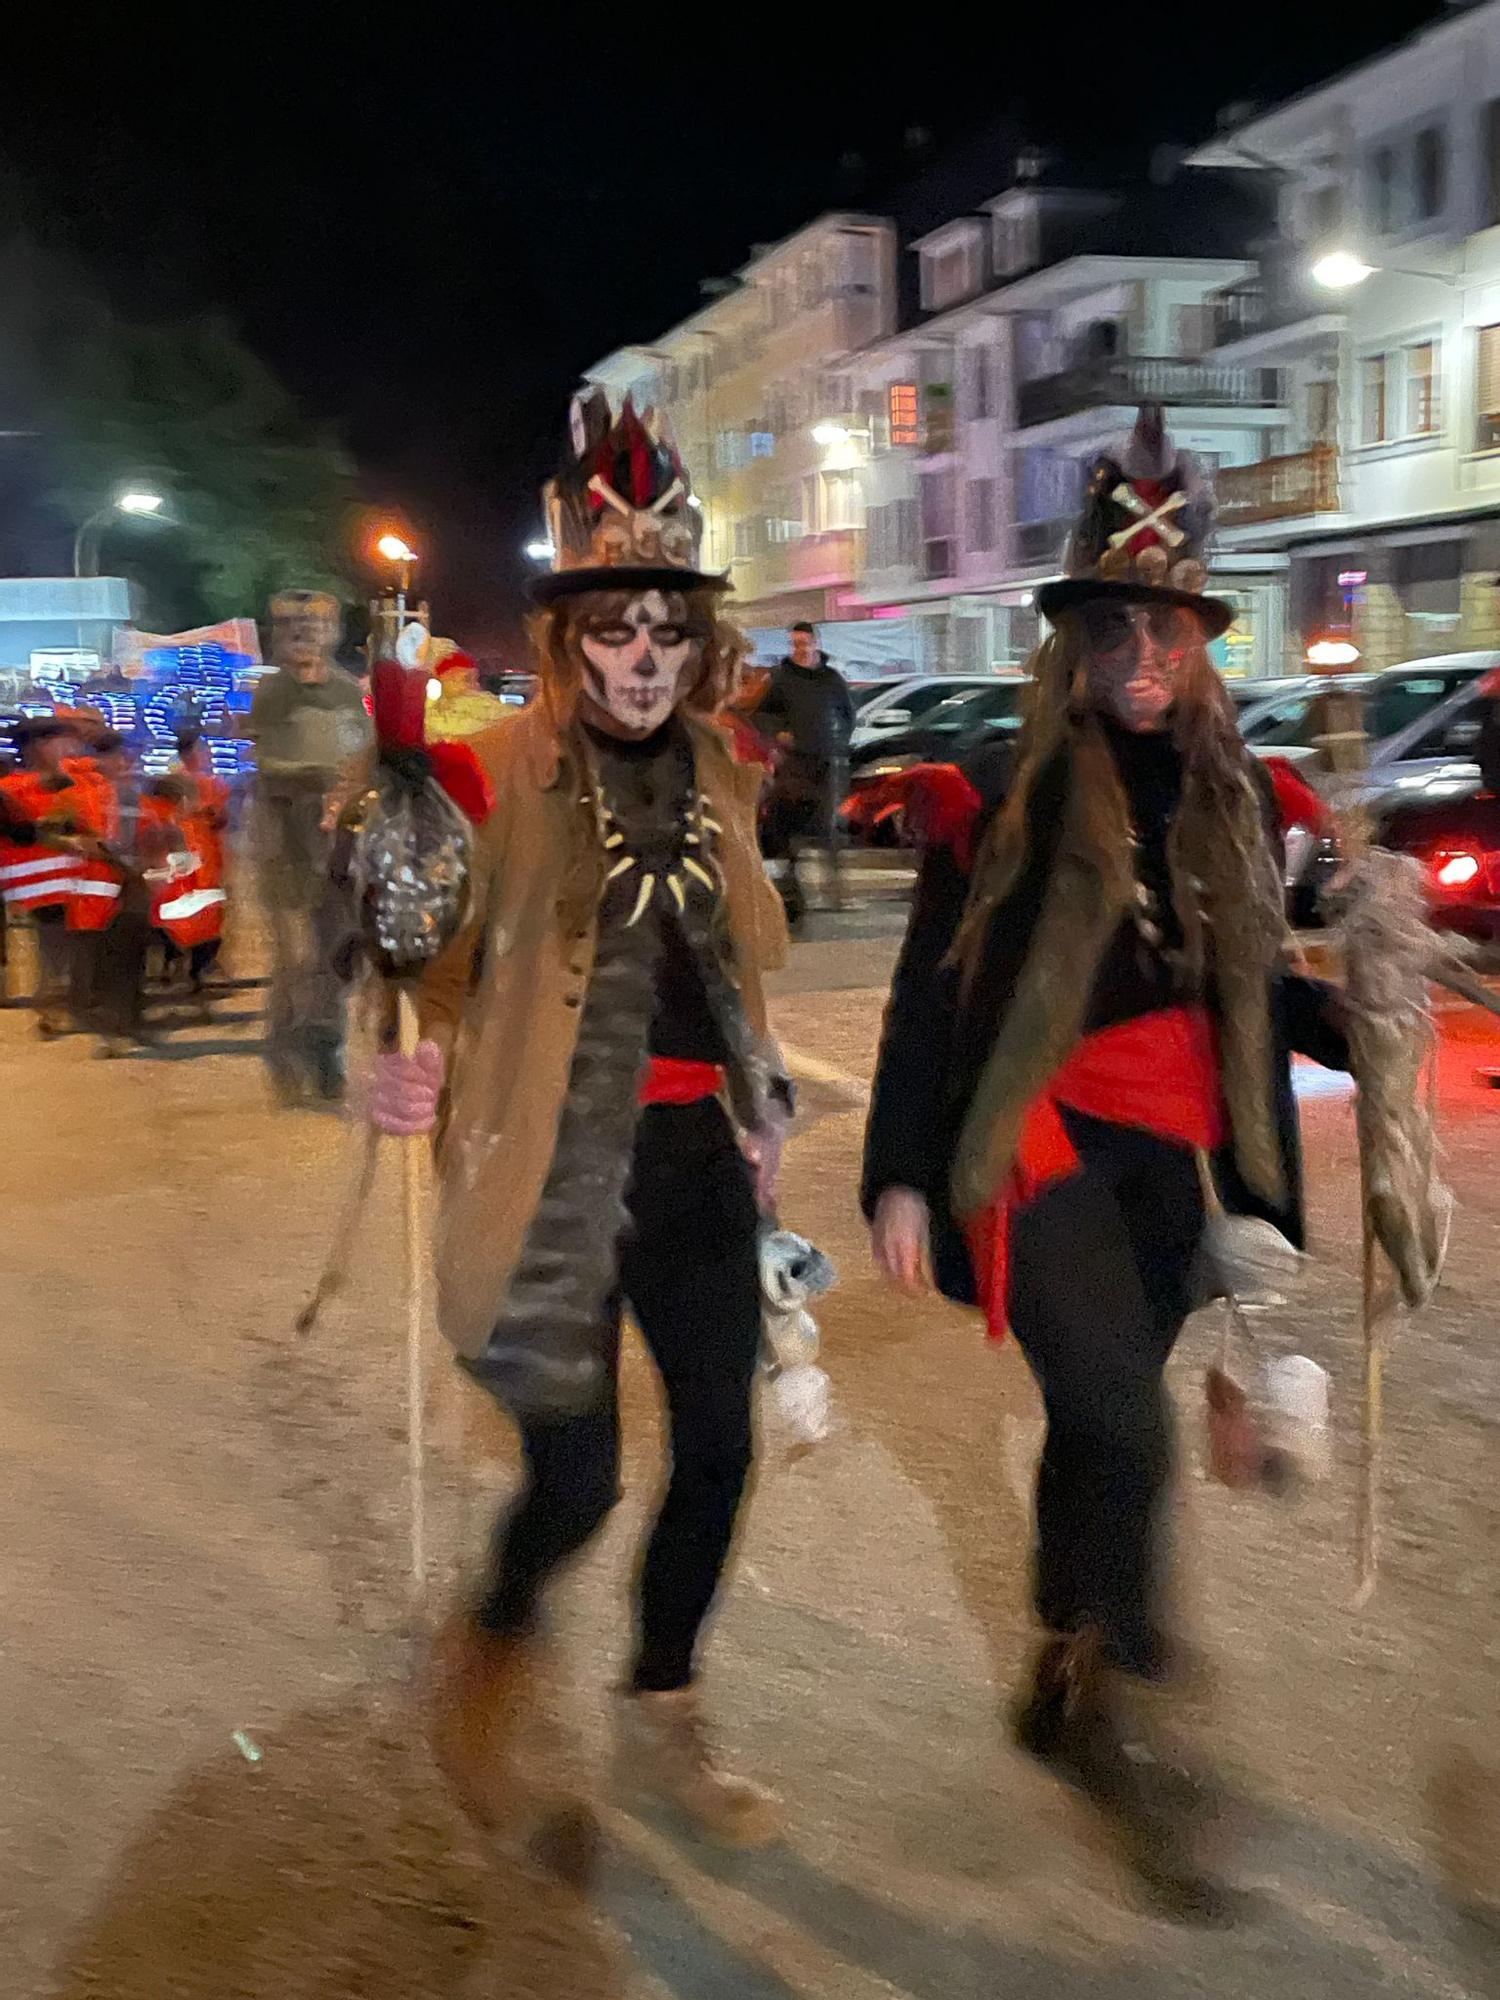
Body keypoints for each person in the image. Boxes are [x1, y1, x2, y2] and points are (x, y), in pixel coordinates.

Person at [861, 407, 1349, 1917]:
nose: (1145, 650)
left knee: (1099, 1428)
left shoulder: (1239, 801)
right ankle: (1140, 1700)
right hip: (1040, 1141)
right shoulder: (993, 803)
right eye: (1116, 624)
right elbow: (927, 998)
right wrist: (895, 1168)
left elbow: (1250, 993)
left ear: (1200, 642)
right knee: (1124, 1427)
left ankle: (1060, 1670)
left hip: (1168, 1159)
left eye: (1171, 627)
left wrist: (1367, 1011)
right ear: (1073, 637)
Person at [371, 392, 793, 1849]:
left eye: (669, 631)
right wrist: (406, 1053)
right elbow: (423, 954)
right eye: (615, 628)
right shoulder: (495, 769)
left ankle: (664, 1702)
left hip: (690, 1160)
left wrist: (763, 1097)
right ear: (568, 635)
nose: (643, 659)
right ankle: (485, 1657)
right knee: (579, 1480)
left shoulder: (725, 775)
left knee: (723, 1451)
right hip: (556, 1168)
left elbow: (739, 962)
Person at [248, 589, 372, 1103]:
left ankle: (326, 1053)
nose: (303, 637)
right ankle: (288, 1055)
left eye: (314, 627)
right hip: (287, 838)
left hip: (339, 839)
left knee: (334, 954)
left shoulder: (347, 693)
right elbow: (273, 762)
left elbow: (364, 753)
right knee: (295, 955)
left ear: (333, 633)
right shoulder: (274, 694)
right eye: (292, 628)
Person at [756, 621, 856, 926]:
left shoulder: (831, 679)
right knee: (787, 824)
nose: (799, 649)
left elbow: (848, 713)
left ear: (815, 643)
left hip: (827, 761)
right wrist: (778, 734)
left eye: (804, 643)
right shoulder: (780, 678)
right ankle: (791, 886)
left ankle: (834, 888)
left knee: (828, 825)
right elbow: (762, 714)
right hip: (793, 763)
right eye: (794, 644)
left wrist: (839, 743)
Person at [0, 718, 87, 1036]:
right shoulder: (11, 790)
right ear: (37, 747)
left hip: (67, 878)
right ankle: (53, 1008)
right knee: (56, 945)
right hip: (40, 882)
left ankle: (61, 1004)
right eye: (59, 742)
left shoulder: (67, 785)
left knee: (66, 945)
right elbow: (20, 834)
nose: (67, 749)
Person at [151, 729, 231, 1004]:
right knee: (197, 915)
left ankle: (183, 967)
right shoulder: (203, 784)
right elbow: (220, 818)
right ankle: (191, 970)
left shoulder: (178, 783)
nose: (206, 754)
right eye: (202, 749)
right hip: (193, 856)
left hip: (200, 857)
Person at [424, 639, 513, 740]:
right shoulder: (436, 716)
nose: (474, 686)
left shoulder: (485, 704)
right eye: (466, 680)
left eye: (474, 680)